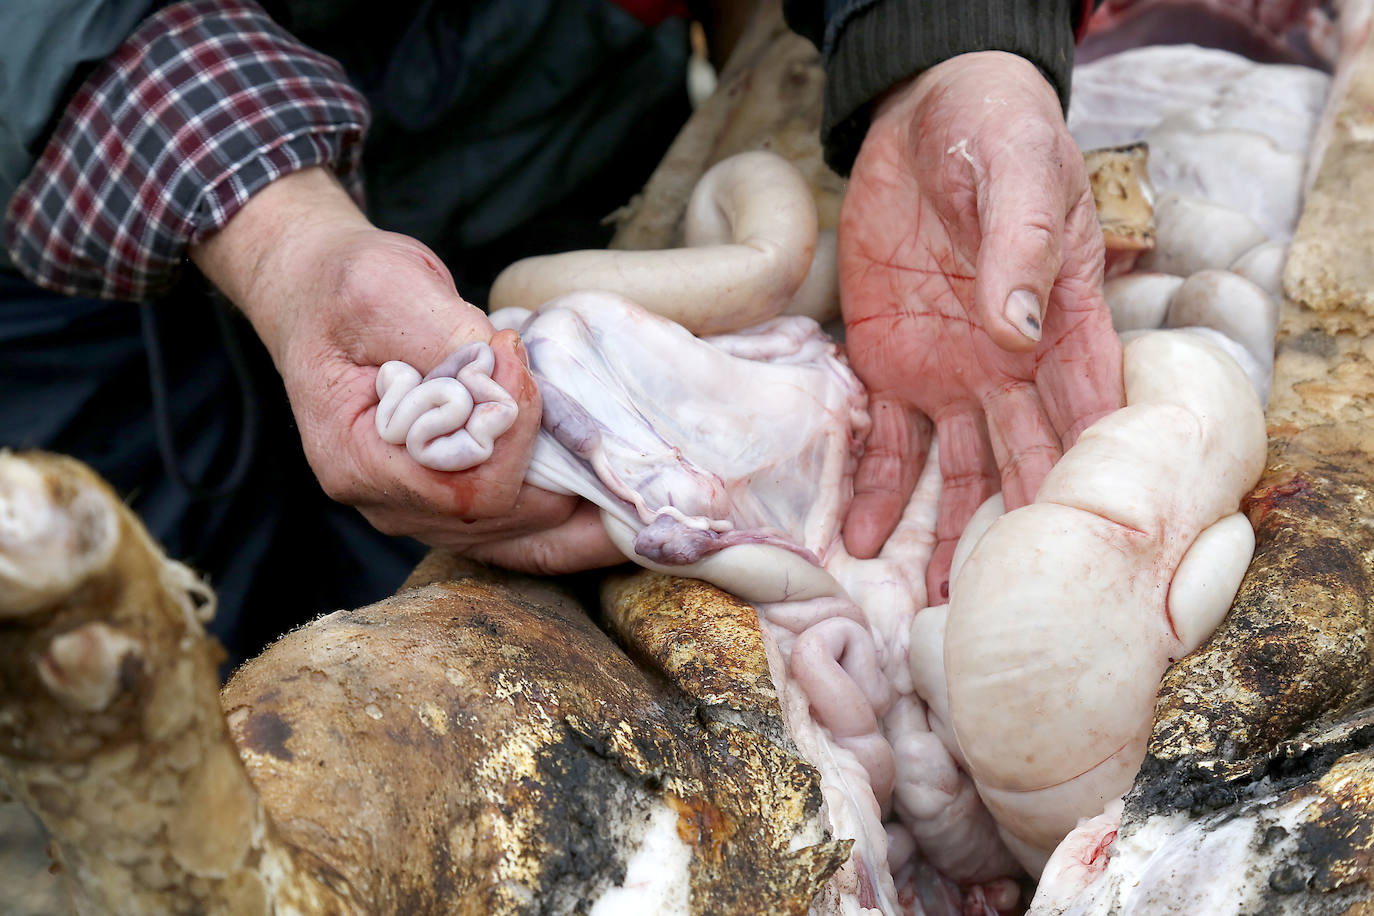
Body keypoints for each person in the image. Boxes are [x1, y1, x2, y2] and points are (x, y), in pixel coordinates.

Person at [0, 0, 1120, 664]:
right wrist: (284, 241)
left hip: (544, 129)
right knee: (135, 673)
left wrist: (948, 40)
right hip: (87, 203)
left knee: (465, 601)